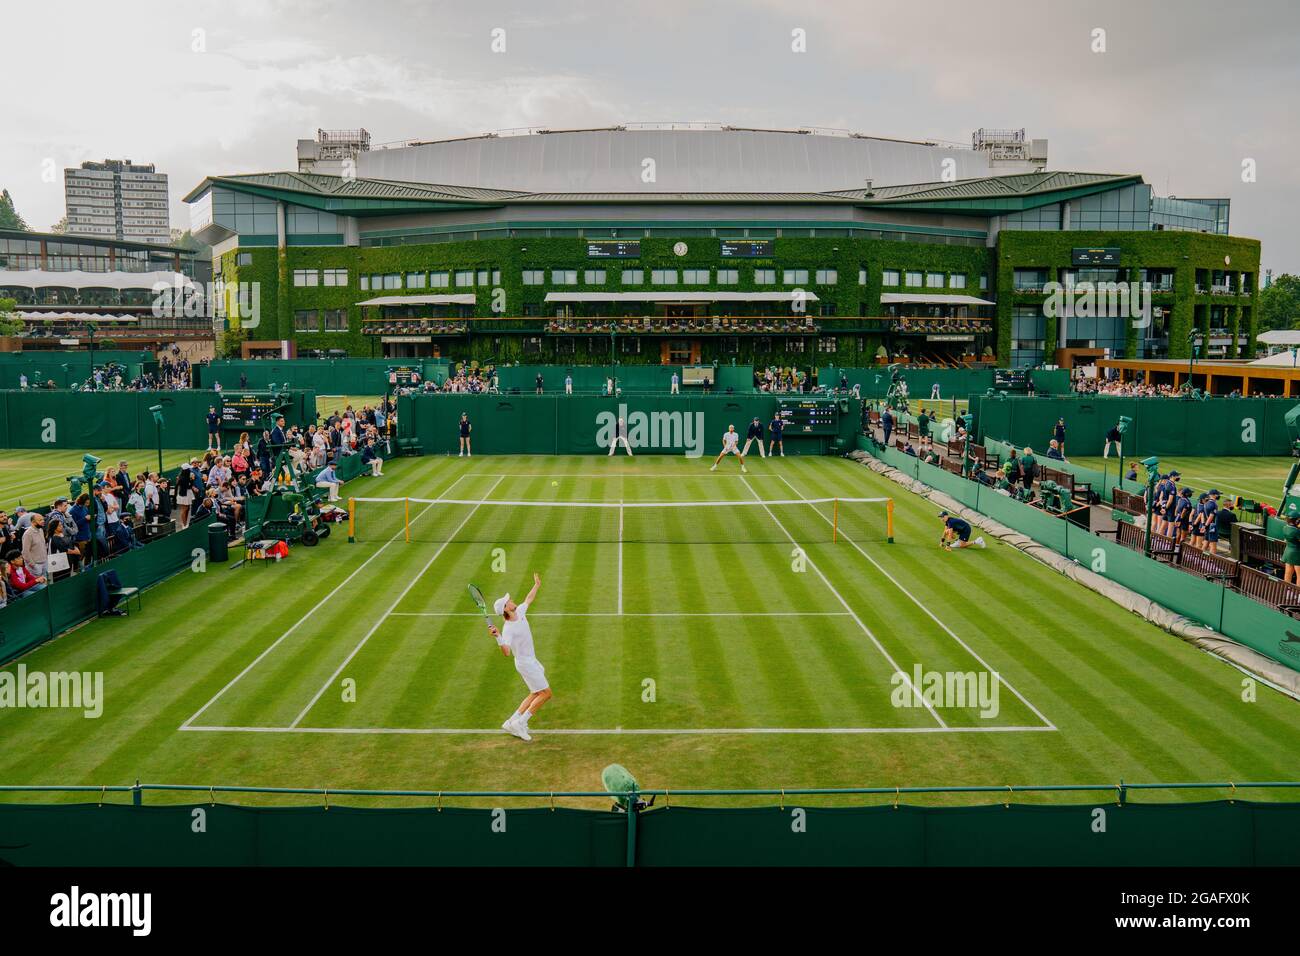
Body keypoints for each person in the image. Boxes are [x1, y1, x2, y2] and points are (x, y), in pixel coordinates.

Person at [487, 573, 550, 742]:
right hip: (525, 663)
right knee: (546, 694)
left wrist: (536, 585)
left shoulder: (520, 611)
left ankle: (510, 722)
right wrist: (498, 637)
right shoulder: (508, 629)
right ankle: (521, 723)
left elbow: (528, 599)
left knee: (535, 692)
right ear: (506, 609)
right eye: (509, 601)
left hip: (531, 660)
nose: (512, 600)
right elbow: (506, 652)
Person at [21, 513, 47, 578]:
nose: (43, 521)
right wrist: (33, 565)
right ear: (33, 522)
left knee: (46, 583)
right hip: (35, 566)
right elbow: (25, 552)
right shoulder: (28, 534)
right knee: (38, 586)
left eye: (43, 519)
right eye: (40, 520)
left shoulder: (41, 530)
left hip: (44, 563)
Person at [1282, 515, 1300, 586]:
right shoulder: (1297, 531)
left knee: (1288, 574)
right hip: (1297, 554)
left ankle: (1287, 592)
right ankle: (1299, 594)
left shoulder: (1285, 527)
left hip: (1288, 553)